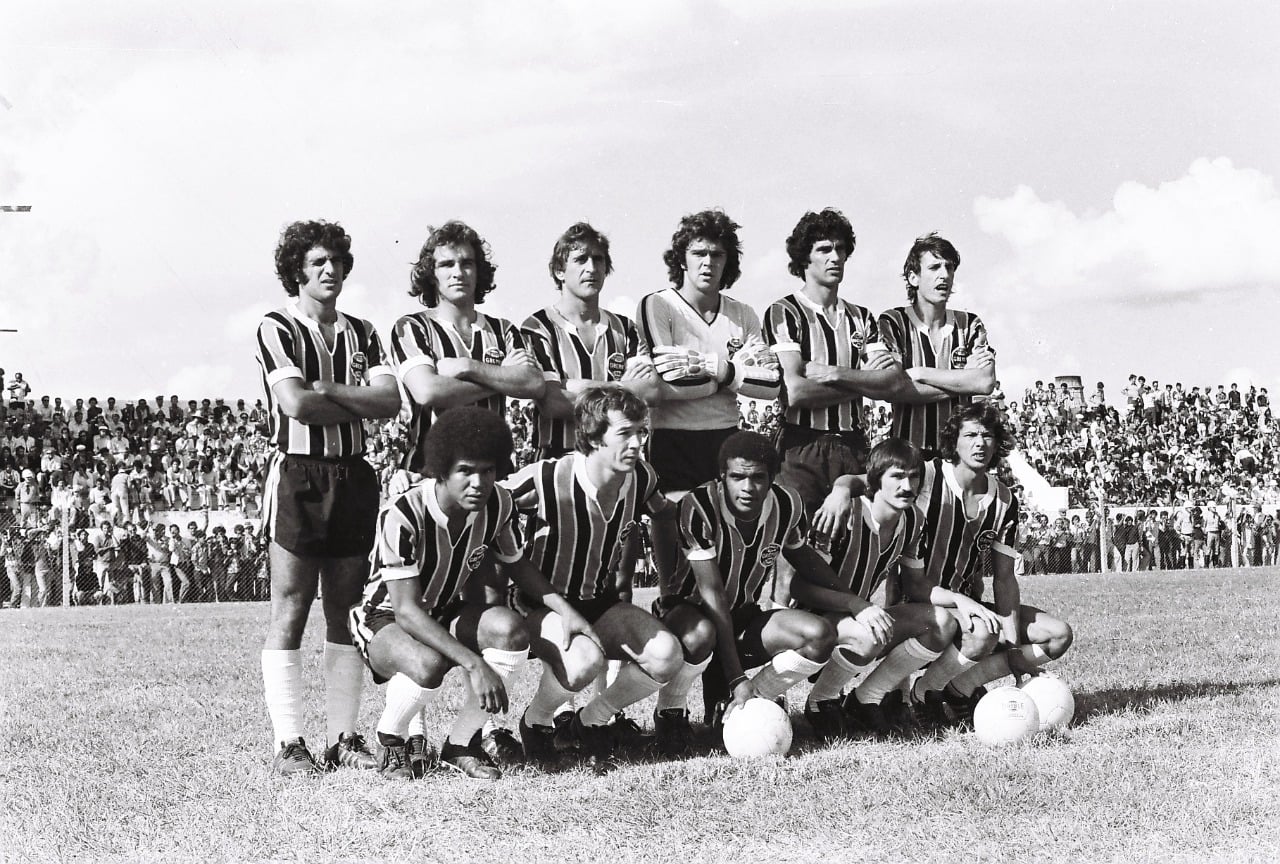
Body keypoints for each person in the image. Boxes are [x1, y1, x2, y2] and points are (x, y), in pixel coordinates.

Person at [255, 220, 402, 776]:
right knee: (292, 606)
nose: (330, 269)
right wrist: (354, 401)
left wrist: (330, 391)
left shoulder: (364, 331)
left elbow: (389, 401)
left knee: (345, 608)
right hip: (298, 474)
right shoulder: (277, 326)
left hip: (354, 474)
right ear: (297, 270)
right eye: (318, 261)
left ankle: (343, 736)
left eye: (337, 261)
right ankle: (289, 742)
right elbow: (296, 404)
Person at [350, 408, 564, 780]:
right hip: (383, 616)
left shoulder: (498, 503)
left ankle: (461, 744)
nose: (478, 482)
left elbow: (518, 564)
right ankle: (391, 738)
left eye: (488, 470)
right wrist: (474, 664)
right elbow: (406, 612)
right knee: (429, 664)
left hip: (443, 608)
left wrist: (566, 613)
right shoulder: (403, 512)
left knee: (510, 631)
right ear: (441, 470)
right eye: (465, 470)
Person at [502, 387, 683, 773]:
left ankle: (590, 722)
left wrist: (670, 581)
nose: (637, 443)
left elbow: (666, 515)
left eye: (641, 432)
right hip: (539, 603)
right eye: (625, 433)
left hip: (596, 600)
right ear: (594, 437)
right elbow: (486, 503)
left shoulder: (642, 477)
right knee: (585, 661)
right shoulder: (549, 476)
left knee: (666, 655)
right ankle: (536, 723)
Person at [882, 403, 1073, 725]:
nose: (980, 443)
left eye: (987, 436)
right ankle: (922, 694)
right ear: (953, 442)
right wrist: (843, 488)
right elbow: (871, 480)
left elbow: (1004, 578)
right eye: (970, 435)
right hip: (913, 603)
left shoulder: (1004, 499)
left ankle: (959, 687)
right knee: (982, 631)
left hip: (967, 607)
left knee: (1057, 634)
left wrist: (1014, 648)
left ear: (998, 443)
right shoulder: (926, 476)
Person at [651, 431, 835, 751]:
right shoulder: (699, 504)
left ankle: (746, 704)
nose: (748, 487)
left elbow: (803, 558)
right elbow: (712, 595)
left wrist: (855, 603)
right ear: (722, 477)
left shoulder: (788, 503)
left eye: (758, 478)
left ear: (772, 478)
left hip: (743, 616)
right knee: (701, 634)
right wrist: (736, 676)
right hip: (689, 614)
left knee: (819, 635)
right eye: (737, 477)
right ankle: (670, 711)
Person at [762, 209, 908, 605]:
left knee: (849, 549)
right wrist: (861, 383)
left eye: (841, 249)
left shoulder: (862, 318)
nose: (835, 257)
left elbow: (893, 383)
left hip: (851, 444)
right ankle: (782, 632)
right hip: (800, 447)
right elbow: (796, 391)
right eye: (824, 249)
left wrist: (833, 373)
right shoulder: (785, 312)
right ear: (804, 258)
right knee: (792, 553)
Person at [796, 438, 960, 739]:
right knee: (867, 633)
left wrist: (961, 602)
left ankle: (865, 699)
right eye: (897, 476)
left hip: (858, 617)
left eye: (913, 477)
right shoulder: (845, 512)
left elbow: (916, 585)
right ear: (874, 480)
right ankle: (821, 701)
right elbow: (801, 587)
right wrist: (857, 605)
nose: (907, 486)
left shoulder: (913, 520)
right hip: (812, 620)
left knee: (941, 622)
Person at [637, 209, 781, 500]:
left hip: (726, 436)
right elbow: (667, 380)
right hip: (672, 438)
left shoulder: (743, 313)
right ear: (682, 259)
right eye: (699, 253)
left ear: (728, 261)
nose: (708, 262)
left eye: (717, 254)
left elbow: (770, 386)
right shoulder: (658, 305)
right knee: (676, 521)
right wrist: (732, 374)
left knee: (723, 522)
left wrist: (713, 368)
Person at [389, 221, 544, 486]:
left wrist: (466, 366)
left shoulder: (503, 330)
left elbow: (534, 384)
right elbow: (427, 391)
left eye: (467, 263)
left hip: (494, 476)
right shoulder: (413, 327)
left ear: (478, 270)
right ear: (431, 274)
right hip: (431, 476)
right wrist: (501, 378)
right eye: (447, 264)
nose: (458, 273)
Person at [521, 222, 660, 461]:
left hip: (615, 459)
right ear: (559, 271)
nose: (592, 268)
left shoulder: (625, 328)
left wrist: (576, 386)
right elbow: (553, 402)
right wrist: (623, 388)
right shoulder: (538, 326)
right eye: (581, 259)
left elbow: (651, 392)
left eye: (598, 259)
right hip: (558, 459)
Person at [877, 233, 996, 457]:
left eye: (949, 267)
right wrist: (964, 380)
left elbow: (985, 382)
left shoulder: (969, 324)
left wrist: (919, 373)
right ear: (913, 277)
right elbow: (893, 388)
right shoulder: (893, 322)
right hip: (909, 454)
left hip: (958, 457)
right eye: (934, 267)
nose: (944, 275)